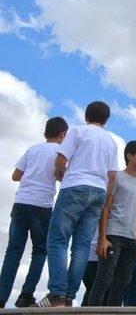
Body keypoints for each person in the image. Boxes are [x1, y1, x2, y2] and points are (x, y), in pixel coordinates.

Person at [35, 101, 118, 308]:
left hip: (75, 186)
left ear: (86, 115)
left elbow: (61, 158)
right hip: (99, 191)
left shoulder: (78, 131)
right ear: (106, 119)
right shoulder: (111, 141)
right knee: (81, 246)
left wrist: (60, 171)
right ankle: (69, 295)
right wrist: (105, 198)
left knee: (58, 240)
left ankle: (57, 295)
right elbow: (112, 175)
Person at [0, 117, 68, 308]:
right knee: (40, 250)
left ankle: (1, 296)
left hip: (21, 202)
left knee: (13, 251)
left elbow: (15, 176)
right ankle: (26, 295)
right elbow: (62, 175)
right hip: (42, 204)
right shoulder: (60, 153)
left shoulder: (32, 149)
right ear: (62, 134)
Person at [88, 141, 136, 306]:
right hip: (113, 234)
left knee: (122, 283)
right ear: (129, 156)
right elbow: (106, 206)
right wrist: (102, 237)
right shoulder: (117, 177)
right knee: (104, 279)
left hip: (131, 239)